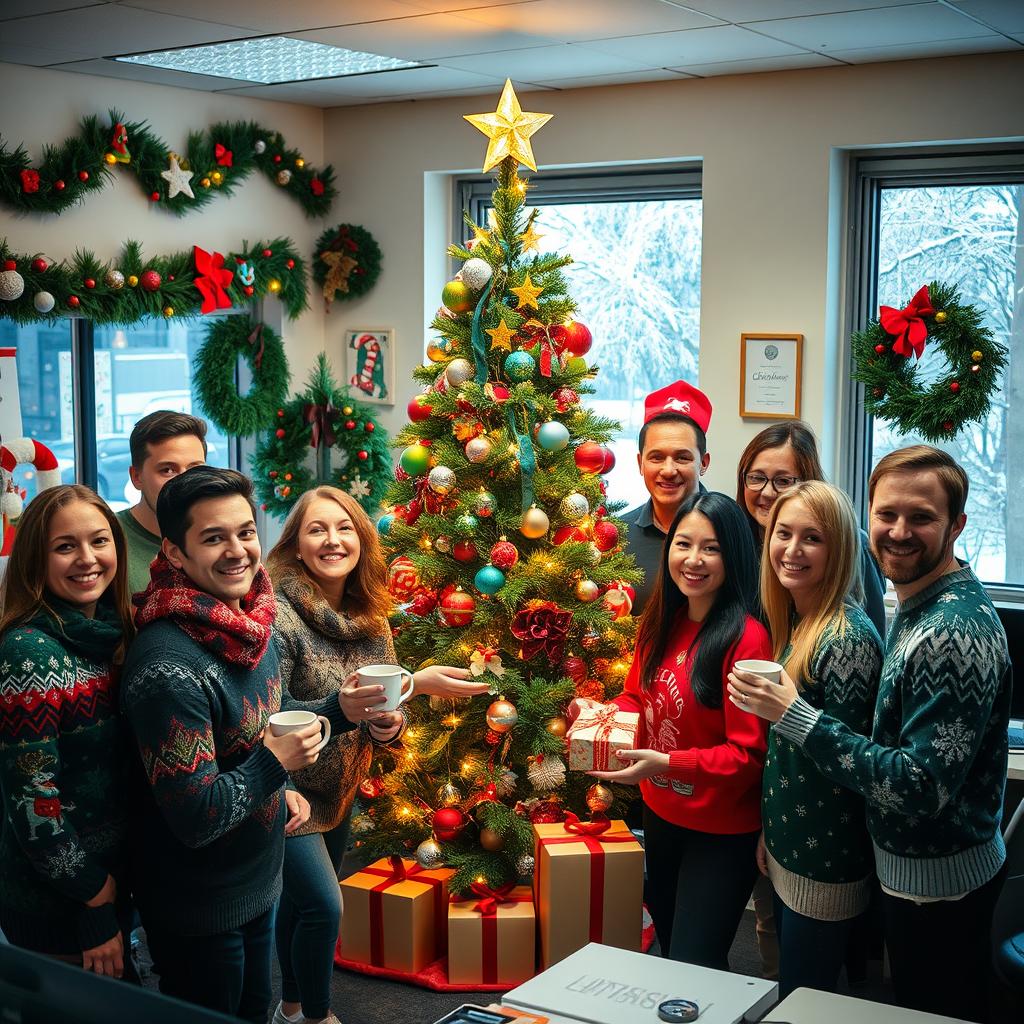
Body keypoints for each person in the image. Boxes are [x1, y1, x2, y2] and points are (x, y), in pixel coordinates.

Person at [729, 445, 1011, 1024]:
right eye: (886, 516)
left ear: (956, 525)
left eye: (921, 517)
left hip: (940, 890)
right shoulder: (920, 604)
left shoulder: (951, 633)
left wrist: (793, 714)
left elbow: (918, 786)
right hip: (911, 879)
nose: (899, 532)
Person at [119, 467, 401, 1023]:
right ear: (175, 554)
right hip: (203, 908)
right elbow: (197, 814)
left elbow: (262, 731)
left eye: (245, 533)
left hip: (256, 881)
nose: (237, 551)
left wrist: (339, 712)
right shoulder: (168, 666)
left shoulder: (251, 624)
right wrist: (276, 767)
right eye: (213, 537)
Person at [264, 486, 488, 1024]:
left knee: (301, 906)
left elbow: (382, 718)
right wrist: (346, 708)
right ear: (295, 545)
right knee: (323, 904)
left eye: (345, 529)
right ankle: (317, 1015)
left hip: (340, 785)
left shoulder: (372, 616)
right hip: (286, 786)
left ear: (362, 541)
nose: (333, 540)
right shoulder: (277, 614)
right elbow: (272, 710)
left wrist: (388, 724)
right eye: (317, 529)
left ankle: (289, 1006)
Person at [588, 491, 770, 970]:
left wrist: (667, 763)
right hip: (662, 814)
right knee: (675, 954)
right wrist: (601, 715)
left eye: (710, 548)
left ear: (734, 555)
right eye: (683, 544)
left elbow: (747, 756)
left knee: (696, 960)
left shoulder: (746, 637)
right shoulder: (661, 618)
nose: (693, 560)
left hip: (720, 831)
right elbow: (635, 698)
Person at [749, 481, 883, 997]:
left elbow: (849, 763)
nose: (792, 549)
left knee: (805, 1000)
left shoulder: (846, 638)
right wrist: (770, 831)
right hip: (791, 846)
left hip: (825, 861)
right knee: (793, 989)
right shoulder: (801, 622)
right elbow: (790, 756)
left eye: (813, 538)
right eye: (784, 533)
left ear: (840, 549)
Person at [0, 486, 135, 979]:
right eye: (65, 547)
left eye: (99, 541)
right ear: (37, 558)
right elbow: (33, 804)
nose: (87, 559)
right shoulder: (28, 652)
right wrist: (93, 897)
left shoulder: (109, 631)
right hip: (60, 898)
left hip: (111, 880)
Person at [735, 422, 886, 637]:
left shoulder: (853, 544)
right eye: (757, 478)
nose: (768, 492)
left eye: (784, 480)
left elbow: (873, 631)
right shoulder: (735, 541)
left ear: (808, 482)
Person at [620, 381, 712, 617]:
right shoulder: (617, 536)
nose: (669, 470)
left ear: (703, 463)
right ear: (640, 463)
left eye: (682, 458)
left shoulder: (732, 529)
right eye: (656, 457)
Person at [116, 410, 208, 596]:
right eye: (167, 470)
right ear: (136, 477)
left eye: (195, 469)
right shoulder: (107, 540)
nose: (184, 482)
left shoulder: (219, 536)